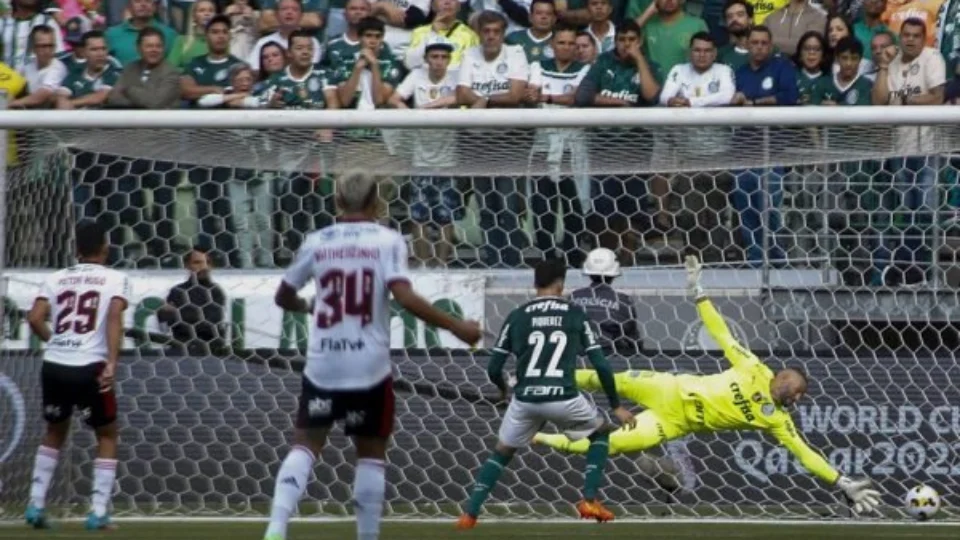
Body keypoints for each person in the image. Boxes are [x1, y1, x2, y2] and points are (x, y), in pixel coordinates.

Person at [534, 255, 883, 516]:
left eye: (800, 393)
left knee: (608, 445)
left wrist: (842, 481)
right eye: (795, 384)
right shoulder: (752, 366)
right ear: (781, 376)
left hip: (674, 422)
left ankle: (539, 437)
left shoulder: (776, 419)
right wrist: (698, 293)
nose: (797, 393)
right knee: (607, 378)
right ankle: (537, 378)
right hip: (669, 388)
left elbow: (806, 454)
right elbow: (721, 332)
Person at [263, 170, 482, 540]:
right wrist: (457, 327)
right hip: (368, 366)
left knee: (305, 443)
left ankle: (276, 527)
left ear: (336, 202)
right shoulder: (388, 240)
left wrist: (304, 306)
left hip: (324, 365)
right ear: (378, 203)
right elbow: (405, 295)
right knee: (370, 453)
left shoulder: (317, 241)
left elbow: (283, 295)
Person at [457, 258, 636, 529]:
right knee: (600, 433)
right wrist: (616, 405)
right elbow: (600, 363)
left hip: (525, 399)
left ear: (534, 283)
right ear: (562, 285)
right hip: (563, 397)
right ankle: (589, 499)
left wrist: (503, 390)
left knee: (502, 452)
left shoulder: (517, 315)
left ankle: (469, 515)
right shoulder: (575, 314)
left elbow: (494, 367)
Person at [24, 220, 130, 530]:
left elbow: (34, 318)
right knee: (107, 434)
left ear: (76, 249)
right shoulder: (116, 279)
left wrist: (56, 341)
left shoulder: (56, 278)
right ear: (106, 247)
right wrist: (112, 361)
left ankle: (34, 506)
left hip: (55, 365)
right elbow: (113, 317)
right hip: (90, 366)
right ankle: (97, 512)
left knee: (54, 432)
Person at [156, 247, 229, 356]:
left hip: (208, 351)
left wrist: (177, 314)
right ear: (187, 265)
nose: (203, 267)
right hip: (180, 349)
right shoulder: (177, 291)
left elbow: (210, 324)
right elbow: (165, 322)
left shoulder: (215, 292)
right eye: (197, 263)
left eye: (207, 263)